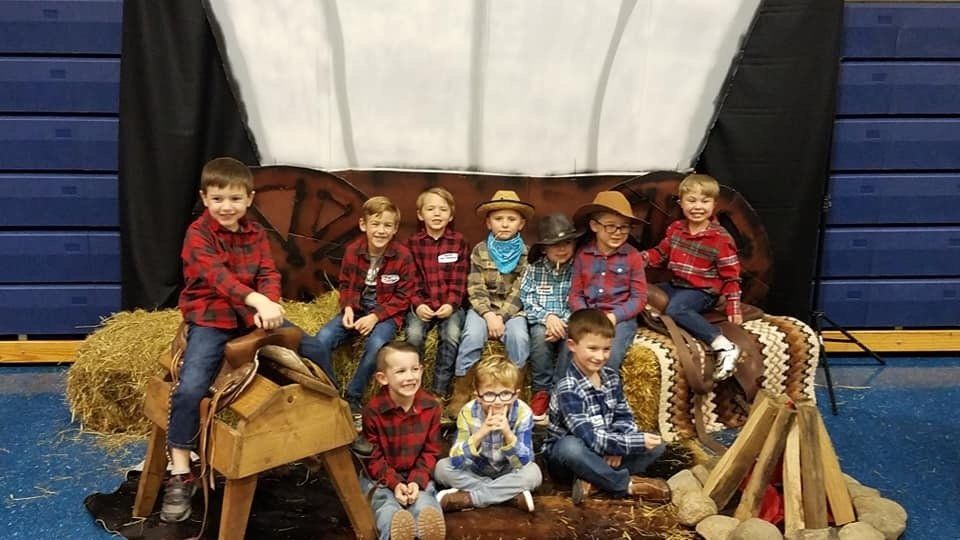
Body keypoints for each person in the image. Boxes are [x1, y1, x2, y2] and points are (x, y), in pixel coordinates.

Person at [162, 157, 289, 522]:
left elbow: (267, 272)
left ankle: (338, 426)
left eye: (234, 199)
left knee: (311, 349)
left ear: (249, 199)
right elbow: (219, 279)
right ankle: (180, 472)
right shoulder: (198, 234)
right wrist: (258, 300)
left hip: (251, 313)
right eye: (218, 199)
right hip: (211, 316)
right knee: (190, 388)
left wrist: (271, 302)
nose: (226, 207)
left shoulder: (256, 234)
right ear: (204, 198)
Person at [300, 196, 416, 429]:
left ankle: (353, 397)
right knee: (321, 339)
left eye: (387, 225)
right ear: (364, 225)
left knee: (377, 346)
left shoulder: (402, 256)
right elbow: (346, 285)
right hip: (359, 307)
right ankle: (329, 391)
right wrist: (349, 308)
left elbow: (403, 297)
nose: (381, 230)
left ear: (394, 229)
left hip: (385, 314)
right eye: (376, 224)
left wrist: (375, 317)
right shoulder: (354, 251)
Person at [543, 309, 671, 505]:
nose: (600, 356)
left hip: (607, 448)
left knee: (657, 444)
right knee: (570, 447)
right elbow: (589, 438)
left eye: (606, 349)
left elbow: (623, 415)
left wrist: (619, 447)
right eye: (592, 348)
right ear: (572, 346)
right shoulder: (568, 387)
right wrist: (625, 444)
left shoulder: (610, 376)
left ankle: (594, 482)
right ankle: (624, 484)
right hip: (571, 459)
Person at [641, 174, 743, 379]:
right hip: (677, 284)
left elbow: (731, 276)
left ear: (714, 204)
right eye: (691, 200)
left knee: (676, 309)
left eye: (705, 201)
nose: (698, 207)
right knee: (643, 292)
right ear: (681, 203)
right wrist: (638, 259)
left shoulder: (720, 238)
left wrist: (733, 305)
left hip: (702, 291)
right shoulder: (676, 229)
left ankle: (722, 345)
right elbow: (660, 253)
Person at [360, 341, 446, 540]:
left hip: (417, 471)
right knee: (385, 503)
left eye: (415, 369)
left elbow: (431, 450)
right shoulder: (373, 411)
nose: (410, 377)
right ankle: (394, 530)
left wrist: (417, 480)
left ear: (422, 370)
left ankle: (428, 531)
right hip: (380, 476)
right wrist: (394, 483)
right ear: (383, 378)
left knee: (425, 500)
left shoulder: (431, 406)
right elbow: (372, 457)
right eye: (401, 371)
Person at [433, 356, 542, 513]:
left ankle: (469, 498)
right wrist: (481, 433)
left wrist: (508, 433)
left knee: (534, 473)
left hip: (508, 469)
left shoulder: (523, 412)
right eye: (489, 394)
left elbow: (524, 461)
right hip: (476, 469)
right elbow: (456, 460)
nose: (498, 402)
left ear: (515, 394)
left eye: (505, 394)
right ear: (478, 396)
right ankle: (508, 497)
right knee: (441, 469)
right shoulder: (468, 411)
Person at [455, 190, 534, 378]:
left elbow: (520, 290)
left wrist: (502, 317)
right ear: (489, 223)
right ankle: (464, 385)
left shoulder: (527, 253)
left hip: (513, 310)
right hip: (483, 309)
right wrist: (489, 315)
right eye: (498, 219)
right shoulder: (479, 250)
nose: (505, 224)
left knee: (519, 337)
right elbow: (475, 287)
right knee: (471, 336)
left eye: (511, 219)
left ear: (521, 224)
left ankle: (515, 384)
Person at [568, 191, 647, 371]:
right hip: (589, 315)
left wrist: (614, 316)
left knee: (609, 354)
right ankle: (560, 393)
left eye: (624, 227)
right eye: (611, 226)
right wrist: (586, 316)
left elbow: (639, 298)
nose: (618, 233)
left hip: (619, 318)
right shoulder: (583, 255)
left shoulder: (633, 256)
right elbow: (575, 295)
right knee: (570, 352)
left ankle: (603, 392)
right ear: (594, 226)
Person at [404, 187, 469, 402]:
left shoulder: (458, 242)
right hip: (422, 304)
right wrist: (418, 304)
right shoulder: (413, 244)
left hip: (450, 306)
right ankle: (414, 387)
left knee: (451, 334)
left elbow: (460, 280)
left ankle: (439, 391)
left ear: (451, 215)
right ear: (420, 214)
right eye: (430, 209)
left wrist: (451, 305)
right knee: (413, 335)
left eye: (443, 209)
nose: (437, 214)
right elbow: (410, 280)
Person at [518, 213, 581, 423]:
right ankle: (541, 391)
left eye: (567, 243)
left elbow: (579, 299)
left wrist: (561, 322)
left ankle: (561, 391)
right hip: (542, 322)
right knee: (538, 337)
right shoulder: (534, 270)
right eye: (555, 245)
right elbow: (527, 299)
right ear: (544, 248)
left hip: (568, 322)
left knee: (571, 342)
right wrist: (548, 317)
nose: (562, 249)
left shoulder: (577, 270)